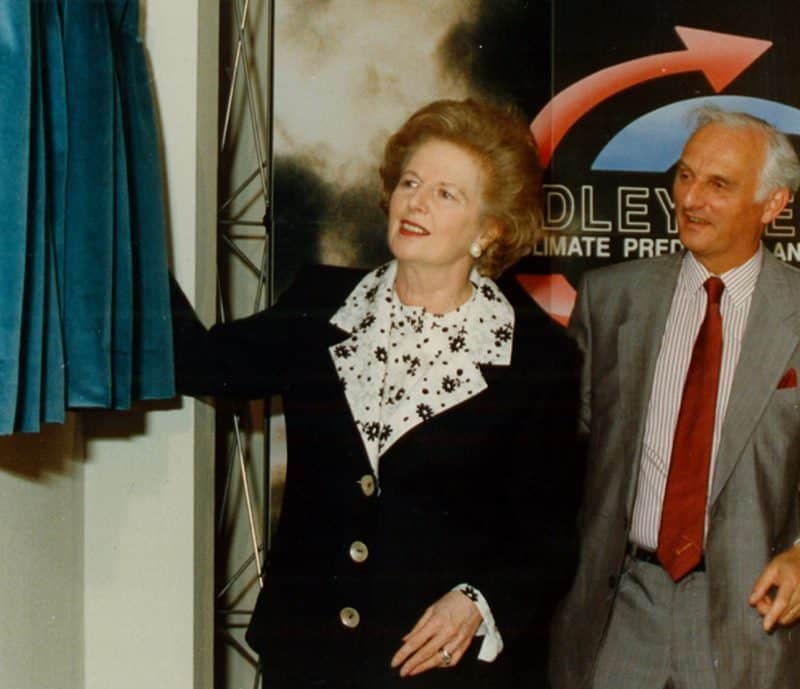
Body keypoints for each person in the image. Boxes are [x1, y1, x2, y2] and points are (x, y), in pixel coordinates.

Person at [172, 98, 581, 689]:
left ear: (490, 229)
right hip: (306, 660)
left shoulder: (538, 358)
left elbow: (546, 534)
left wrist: (476, 601)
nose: (416, 202)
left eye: (447, 194)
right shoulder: (320, 304)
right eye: (410, 182)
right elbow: (203, 363)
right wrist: (106, 215)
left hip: (437, 672)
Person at [549, 106, 800, 689]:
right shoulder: (610, 300)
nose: (690, 199)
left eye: (718, 185)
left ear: (773, 204)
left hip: (753, 620)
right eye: (685, 176)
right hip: (619, 612)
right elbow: (558, 465)